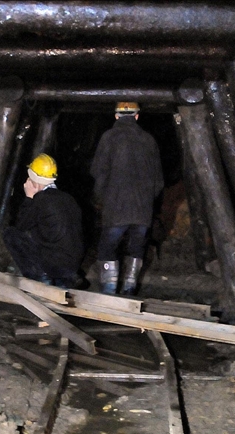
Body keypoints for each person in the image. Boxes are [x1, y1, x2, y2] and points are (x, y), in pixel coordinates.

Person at [90, 102, 164, 294]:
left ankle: (109, 290)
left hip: (116, 208)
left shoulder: (109, 138)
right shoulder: (149, 140)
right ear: (137, 117)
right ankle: (129, 290)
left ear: (116, 116)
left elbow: (99, 172)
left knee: (108, 247)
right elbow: (158, 181)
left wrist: (100, 198)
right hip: (142, 211)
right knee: (136, 248)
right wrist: (147, 202)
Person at [3, 153, 85, 288]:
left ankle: (41, 277)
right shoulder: (68, 198)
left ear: (33, 179)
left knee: (11, 234)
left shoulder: (40, 200)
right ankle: (66, 278)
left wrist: (29, 197)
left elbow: (21, 225)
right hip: (73, 264)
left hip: (57, 264)